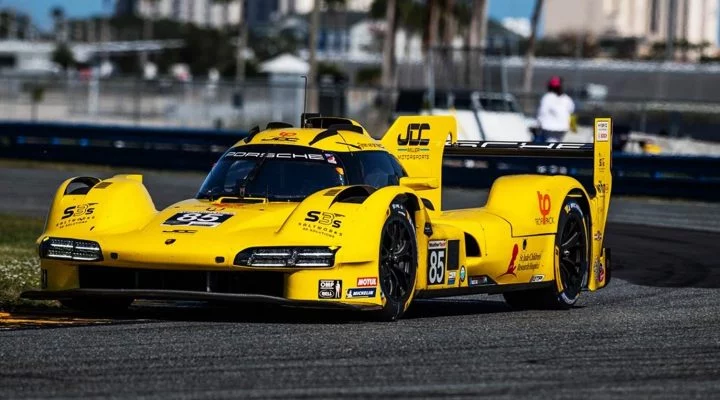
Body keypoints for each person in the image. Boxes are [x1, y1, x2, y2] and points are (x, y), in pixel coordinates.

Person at [536, 76, 575, 142]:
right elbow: (571, 109)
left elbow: (542, 112)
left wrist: (538, 124)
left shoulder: (547, 97)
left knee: (550, 143)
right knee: (559, 143)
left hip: (549, 127)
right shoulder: (566, 98)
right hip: (563, 126)